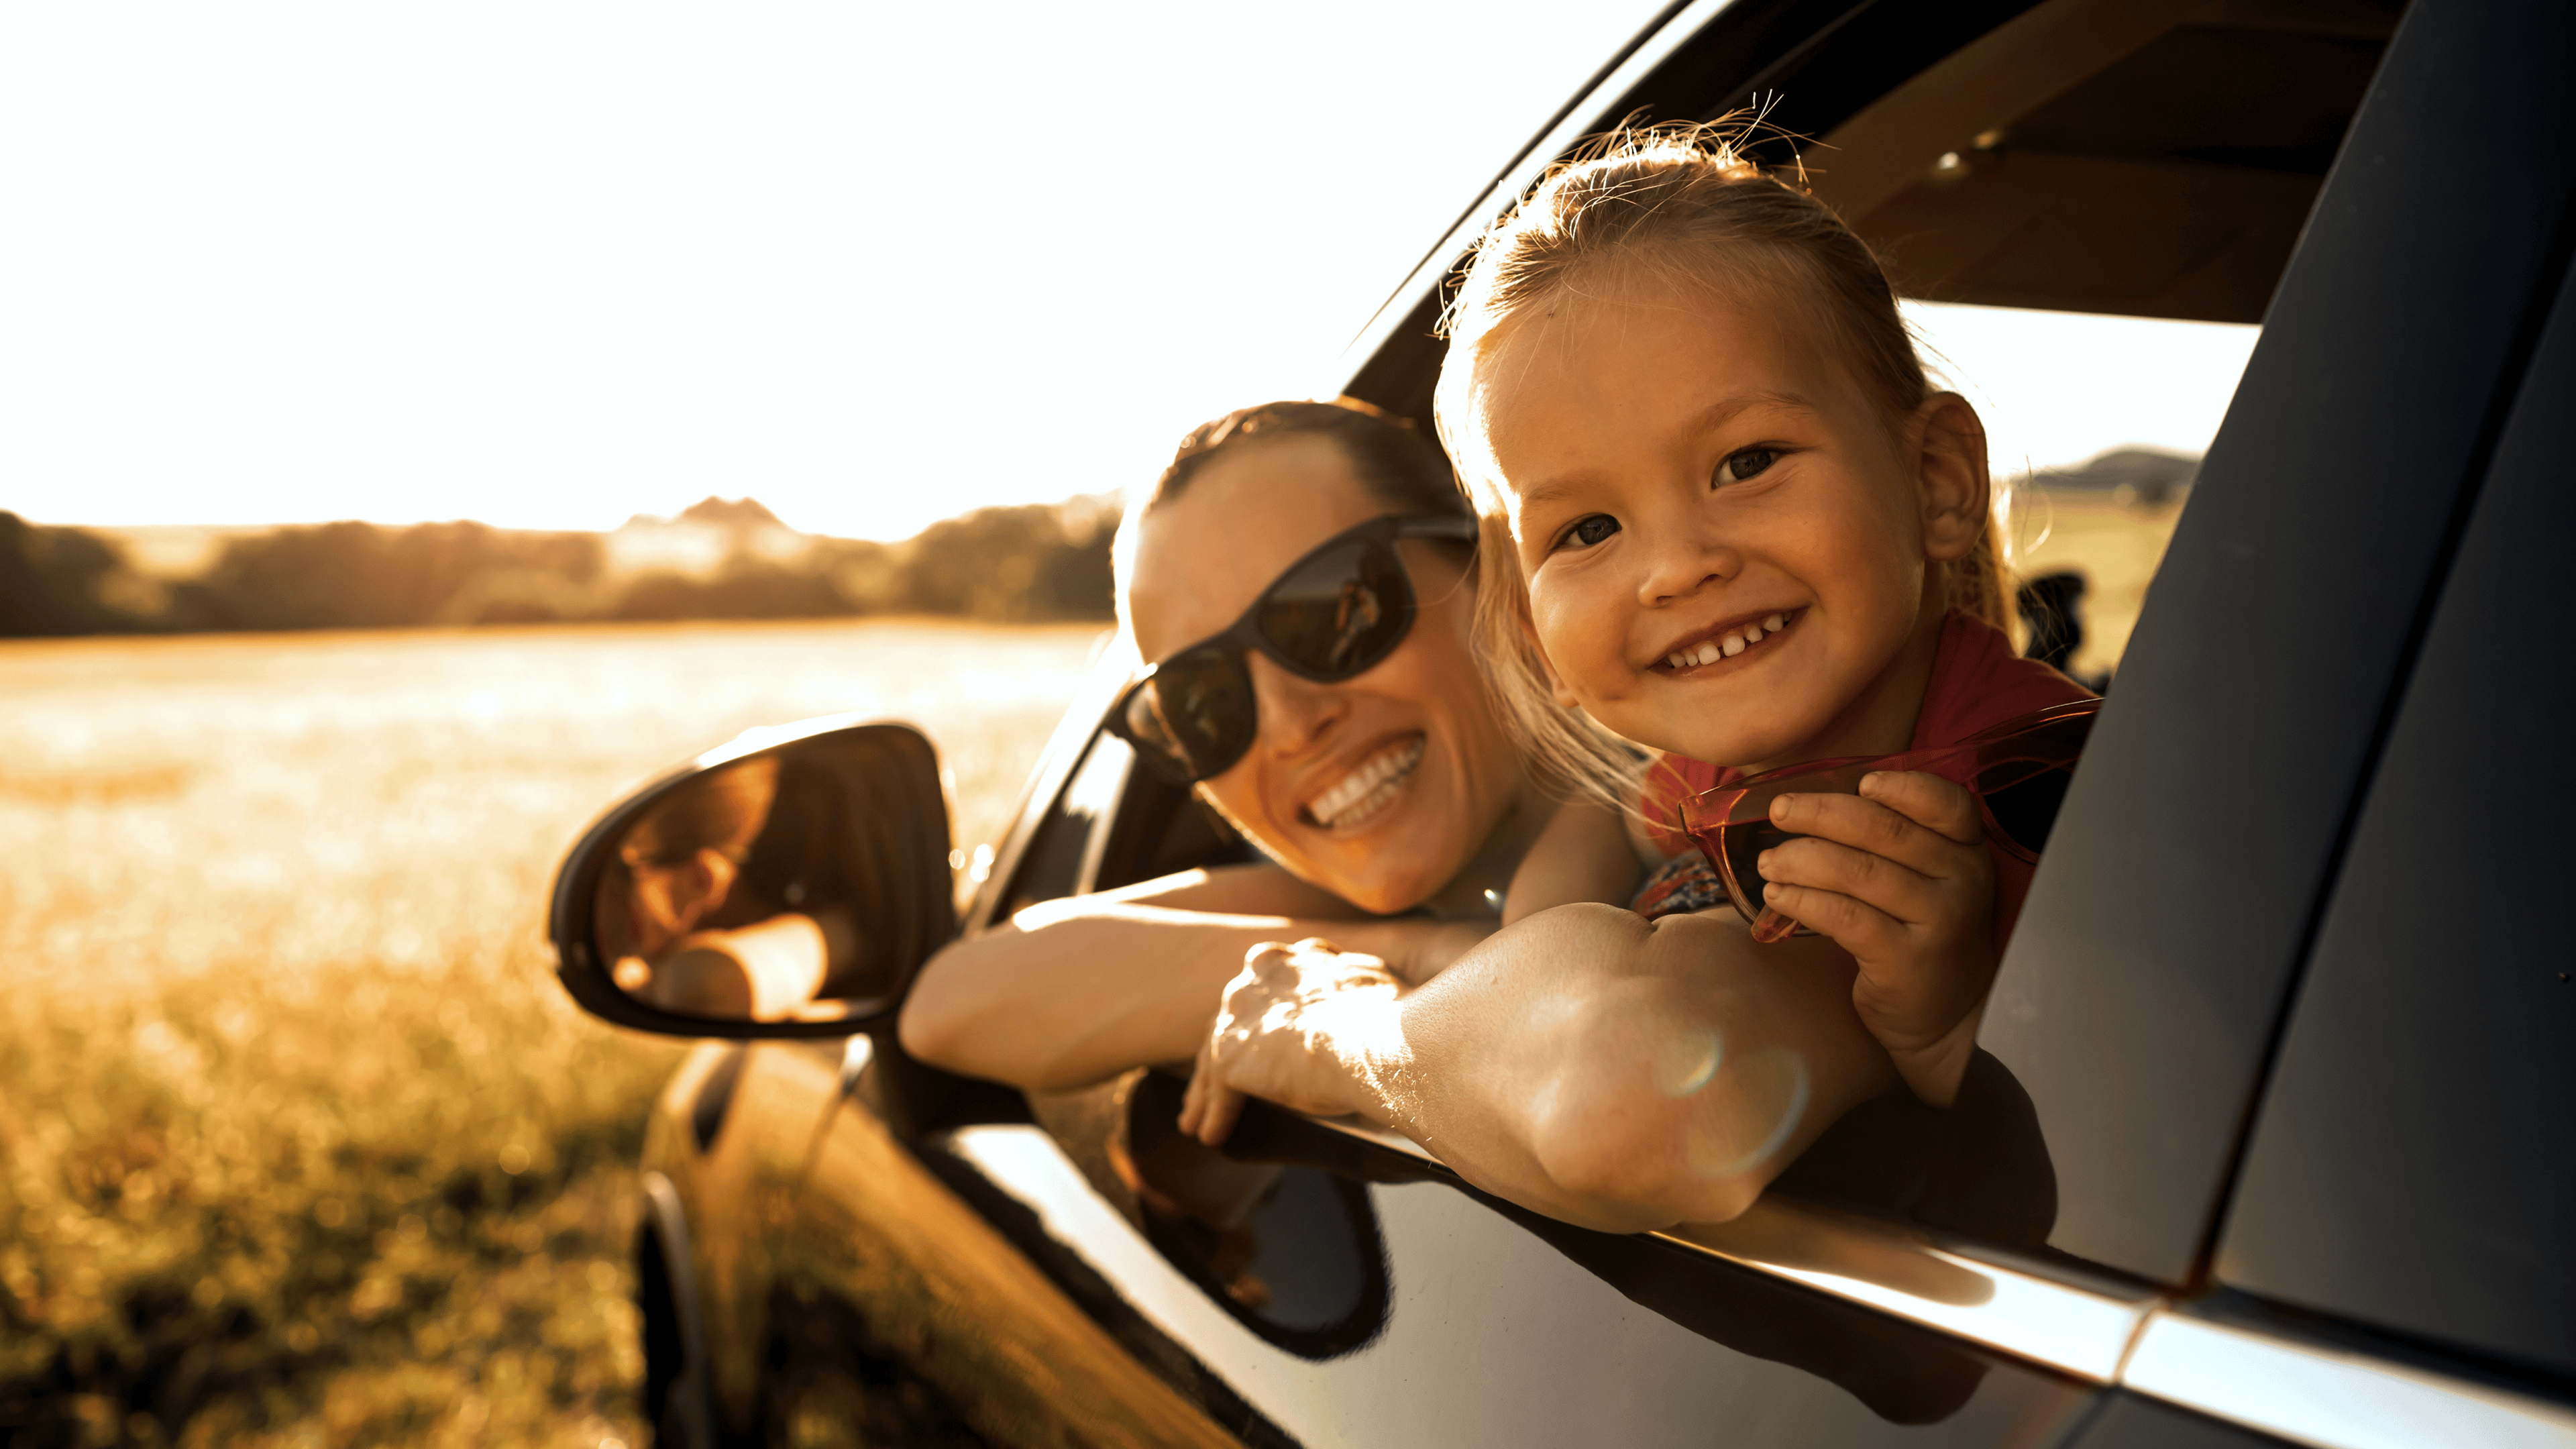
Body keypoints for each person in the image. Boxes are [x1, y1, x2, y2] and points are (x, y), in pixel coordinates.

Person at [1174, 125, 2089, 1233]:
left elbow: (1630, 1110)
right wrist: (1490, 947)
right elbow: (1626, 812)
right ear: (1530, 630)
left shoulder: (1958, 814)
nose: (1675, 567)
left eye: (1746, 463)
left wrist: (1333, 1042)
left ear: (1936, 481)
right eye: (1590, 527)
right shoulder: (1730, 763)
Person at [898, 400, 1555, 1092]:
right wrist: (1410, 954)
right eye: (1200, 701)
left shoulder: (1671, 822)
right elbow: (951, 1005)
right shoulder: (1333, 909)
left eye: (1334, 614)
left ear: (1491, 573)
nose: (1291, 726)